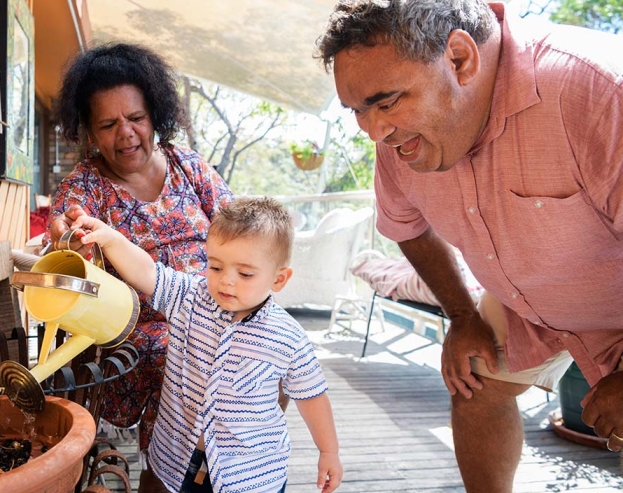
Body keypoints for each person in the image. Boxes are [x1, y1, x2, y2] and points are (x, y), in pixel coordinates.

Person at [316, 1, 623, 492]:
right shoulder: (399, 142)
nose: (373, 131)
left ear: (459, 59)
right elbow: (406, 226)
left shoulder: (595, 88)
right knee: (474, 380)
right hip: (526, 301)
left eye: (387, 101)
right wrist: (462, 316)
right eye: (358, 111)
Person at [69, 196, 343, 493]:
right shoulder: (188, 298)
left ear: (279, 279)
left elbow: (312, 397)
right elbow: (147, 271)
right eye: (215, 267)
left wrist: (329, 452)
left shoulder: (288, 338)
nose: (226, 281)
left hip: (251, 474)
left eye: (245, 273)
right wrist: (110, 239)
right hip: (178, 459)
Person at [43, 43, 233, 466]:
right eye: (108, 124)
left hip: (217, 311)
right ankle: (182, 472)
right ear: (90, 133)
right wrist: (68, 238)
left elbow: (238, 231)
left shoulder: (188, 166)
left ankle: (235, 466)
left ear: (155, 116)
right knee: (188, 366)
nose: (126, 133)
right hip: (144, 334)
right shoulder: (86, 185)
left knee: (271, 349)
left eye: (136, 118)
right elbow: (62, 230)